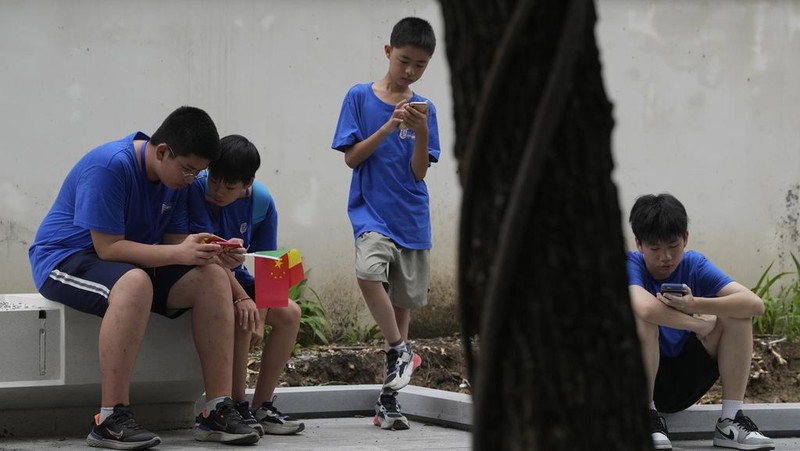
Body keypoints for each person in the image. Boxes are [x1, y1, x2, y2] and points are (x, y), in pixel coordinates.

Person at [28, 106, 260, 449]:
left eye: (197, 172)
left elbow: (172, 243)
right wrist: (181, 253)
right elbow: (107, 248)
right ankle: (110, 418)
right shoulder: (110, 165)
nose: (190, 180)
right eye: (187, 170)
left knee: (212, 276)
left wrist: (214, 251)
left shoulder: (177, 181)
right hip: (67, 258)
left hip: (130, 260)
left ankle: (216, 410)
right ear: (163, 151)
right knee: (136, 282)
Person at [330, 16, 440, 431]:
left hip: (411, 216)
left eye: (420, 65)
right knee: (368, 272)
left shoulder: (426, 109)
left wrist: (422, 130)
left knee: (401, 304)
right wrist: (389, 125)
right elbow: (352, 158)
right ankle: (399, 348)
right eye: (404, 60)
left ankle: (389, 401)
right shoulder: (359, 97)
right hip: (370, 214)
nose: (410, 71)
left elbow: (419, 173)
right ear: (388, 51)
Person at [626, 193, 775, 451]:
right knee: (641, 319)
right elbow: (646, 309)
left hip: (685, 379)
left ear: (685, 238)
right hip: (638, 382)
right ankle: (646, 418)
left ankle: (730, 422)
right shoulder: (630, 263)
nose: (666, 257)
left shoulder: (695, 264)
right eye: (655, 248)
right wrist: (697, 323)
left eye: (673, 245)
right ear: (639, 244)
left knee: (736, 314)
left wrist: (695, 304)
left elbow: (755, 304)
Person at [188, 134, 305, 436]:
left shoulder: (261, 202)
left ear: (247, 183)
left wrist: (262, 315)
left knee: (290, 313)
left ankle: (262, 405)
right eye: (214, 181)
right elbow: (206, 257)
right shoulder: (195, 191)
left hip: (238, 282)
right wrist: (246, 302)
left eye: (228, 187)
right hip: (208, 281)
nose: (217, 191)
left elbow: (270, 262)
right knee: (244, 314)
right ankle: (237, 403)